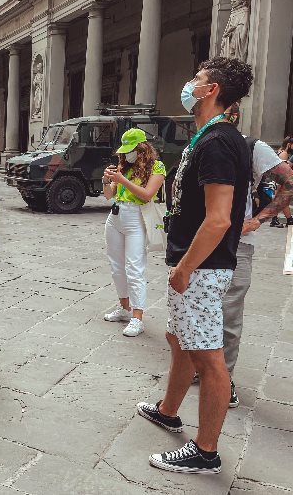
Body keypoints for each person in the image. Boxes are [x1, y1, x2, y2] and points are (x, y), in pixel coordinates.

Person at [136, 57, 253, 475]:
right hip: (195, 264)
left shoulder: (219, 141)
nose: (190, 84)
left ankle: (205, 451)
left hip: (202, 268)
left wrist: (185, 267)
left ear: (213, 90)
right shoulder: (205, 137)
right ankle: (169, 411)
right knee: (179, 338)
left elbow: (219, 217)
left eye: (198, 80)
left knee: (207, 355)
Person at [219, 104, 293, 407]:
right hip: (200, 241)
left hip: (236, 244)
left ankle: (223, 380)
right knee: (202, 312)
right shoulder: (199, 143)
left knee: (228, 314)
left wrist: (259, 219)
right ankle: (204, 369)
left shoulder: (252, 147)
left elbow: (289, 180)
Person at [101, 128, 166, 337]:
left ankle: (138, 318)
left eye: (131, 150)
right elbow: (109, 195)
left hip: (136, 219)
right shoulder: (124, 166)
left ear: (142, 148)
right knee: (116, 266)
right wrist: (106, 180)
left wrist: (122, 180)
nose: (126, 154)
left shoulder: (157, 167)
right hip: (115, 217)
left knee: (134, 268)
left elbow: (147, 195)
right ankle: (124, 308)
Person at [269, 135, 293, 228]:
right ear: (289, 144)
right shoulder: (284, 154)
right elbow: (283, 169)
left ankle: (276, 219)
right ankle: (288, 219)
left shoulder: (280, 151)